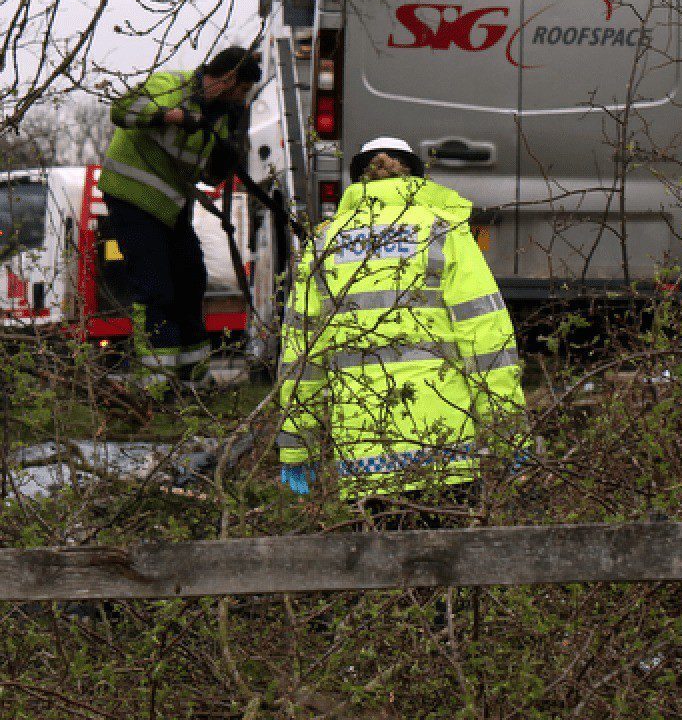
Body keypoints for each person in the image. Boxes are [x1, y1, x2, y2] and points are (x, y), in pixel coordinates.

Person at [276, 137, 528, 520]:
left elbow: (301, 356)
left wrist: (297, 448)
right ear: (416, 174)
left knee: (381, 569)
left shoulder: (324, 243)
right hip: (445, 441)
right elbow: (486, 339)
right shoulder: (442, 232)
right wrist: (508, 433)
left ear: (357, 178)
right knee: (451, 565)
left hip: (363, 450)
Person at [99, 46, 261, 393]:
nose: (240, 100)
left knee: (191, 282)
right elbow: (122, 109)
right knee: (155, 288)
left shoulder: (220, 118)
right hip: (133, 196)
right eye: (242, 91)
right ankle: (155, 385)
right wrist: (174, 116)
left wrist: (224, 158)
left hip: (170, 204)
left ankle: (195, 380)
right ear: (229, 79)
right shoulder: (171, 85)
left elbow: (207, 176)